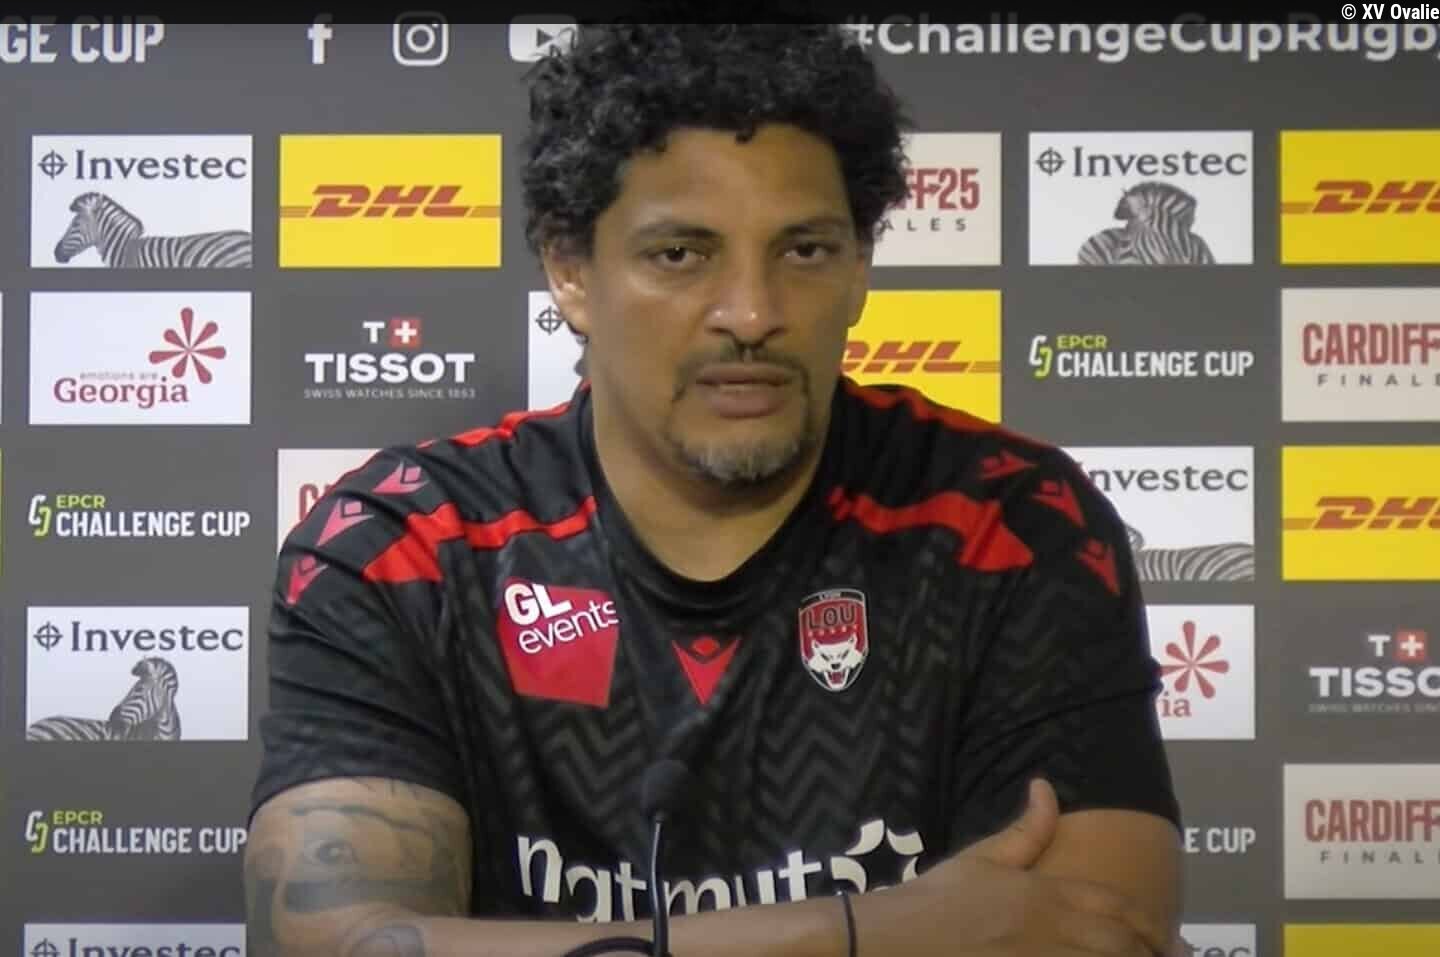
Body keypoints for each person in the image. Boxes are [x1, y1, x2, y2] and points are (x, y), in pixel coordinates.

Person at [244, 20, 1185, 957]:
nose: (752, 313)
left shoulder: (1006, 524)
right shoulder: (404, 548)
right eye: (681, 255)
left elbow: (1097, 934)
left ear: (860, 265)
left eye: (804, 251)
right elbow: (338, 945)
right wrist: (865, 932)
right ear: (571, 271)